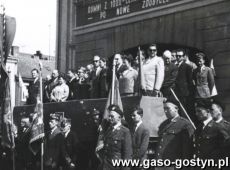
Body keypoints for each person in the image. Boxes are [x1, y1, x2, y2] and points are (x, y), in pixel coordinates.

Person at [155, 102, 194, 170]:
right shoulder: (163, 124)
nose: (165, 111)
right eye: (164, 109)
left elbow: (187, 149)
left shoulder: (185, 124)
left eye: (168, 108)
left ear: (176, 109)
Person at [99, 104, 132, 170]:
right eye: (109, 116)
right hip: (106, 165)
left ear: (119, 118)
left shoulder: (125, 131)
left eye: (112, 116)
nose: (109, 118)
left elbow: (127, 154)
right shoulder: (109, 129)